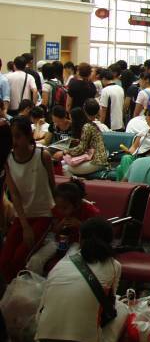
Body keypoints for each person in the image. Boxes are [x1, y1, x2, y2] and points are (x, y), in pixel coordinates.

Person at [33, 218, 128, 342]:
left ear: (80, 238)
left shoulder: (61, 264)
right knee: (122, 308)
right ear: (110, 241)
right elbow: (110, 307)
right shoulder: (114, 265)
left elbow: (39, 314)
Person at [1, 116, 55, 282]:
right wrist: (25, 226)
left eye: (18, 136)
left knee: (19, 258)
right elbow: (15, 195)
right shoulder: (8, 160)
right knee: (4, 260)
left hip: (44, 214)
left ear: (28, 135)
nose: (14, 141)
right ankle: (11, 295)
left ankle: (16, 292)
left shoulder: (42, 156)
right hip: (23, 216)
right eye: (12, 136)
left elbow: (53, 187)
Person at [27, 180, 101, 275]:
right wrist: (60, 225)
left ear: (77, 204)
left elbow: (97, 233)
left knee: (67, 263)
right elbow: (54, 230)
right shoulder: (56, 210)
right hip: (59, 241)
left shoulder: (89, 210)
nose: (60, 210)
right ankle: (34, 283)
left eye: (65, 208)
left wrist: (80, 225)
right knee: (35, 260)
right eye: (58, 207)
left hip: (78, 244)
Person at [52, 104, 108, 177]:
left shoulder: (87, 127)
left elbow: (81, 149)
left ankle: (78, 184)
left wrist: (63, 152)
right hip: (94, 158)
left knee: (63, 168)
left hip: (97, 162)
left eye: (71, 119)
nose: (70, 121)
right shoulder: (89, 125)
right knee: (63, 165)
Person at [116, 108, 150, 181]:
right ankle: (128, 183)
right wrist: (129, 152)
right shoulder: (145, 130)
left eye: (148, 116)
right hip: (138, 156)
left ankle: (127, 183)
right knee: (126, 158)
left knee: (120, 168)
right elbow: (134, 147)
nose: (145, 119)